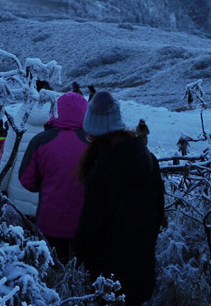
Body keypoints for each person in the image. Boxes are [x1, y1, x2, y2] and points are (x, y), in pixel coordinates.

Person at [73, 92, 165, 306]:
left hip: (108, 277)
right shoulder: (149, 160)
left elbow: (90, 228)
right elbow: (159, 214)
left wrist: (77, 257)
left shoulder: (101, 171)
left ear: (97, 136)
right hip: (143, 269)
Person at [18, 92, 90, 261]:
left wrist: (48, 184)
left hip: (48, 223)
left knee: (51, 271)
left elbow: (26, 180)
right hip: (84, 224)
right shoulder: (92, 144)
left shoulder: (41, 140)